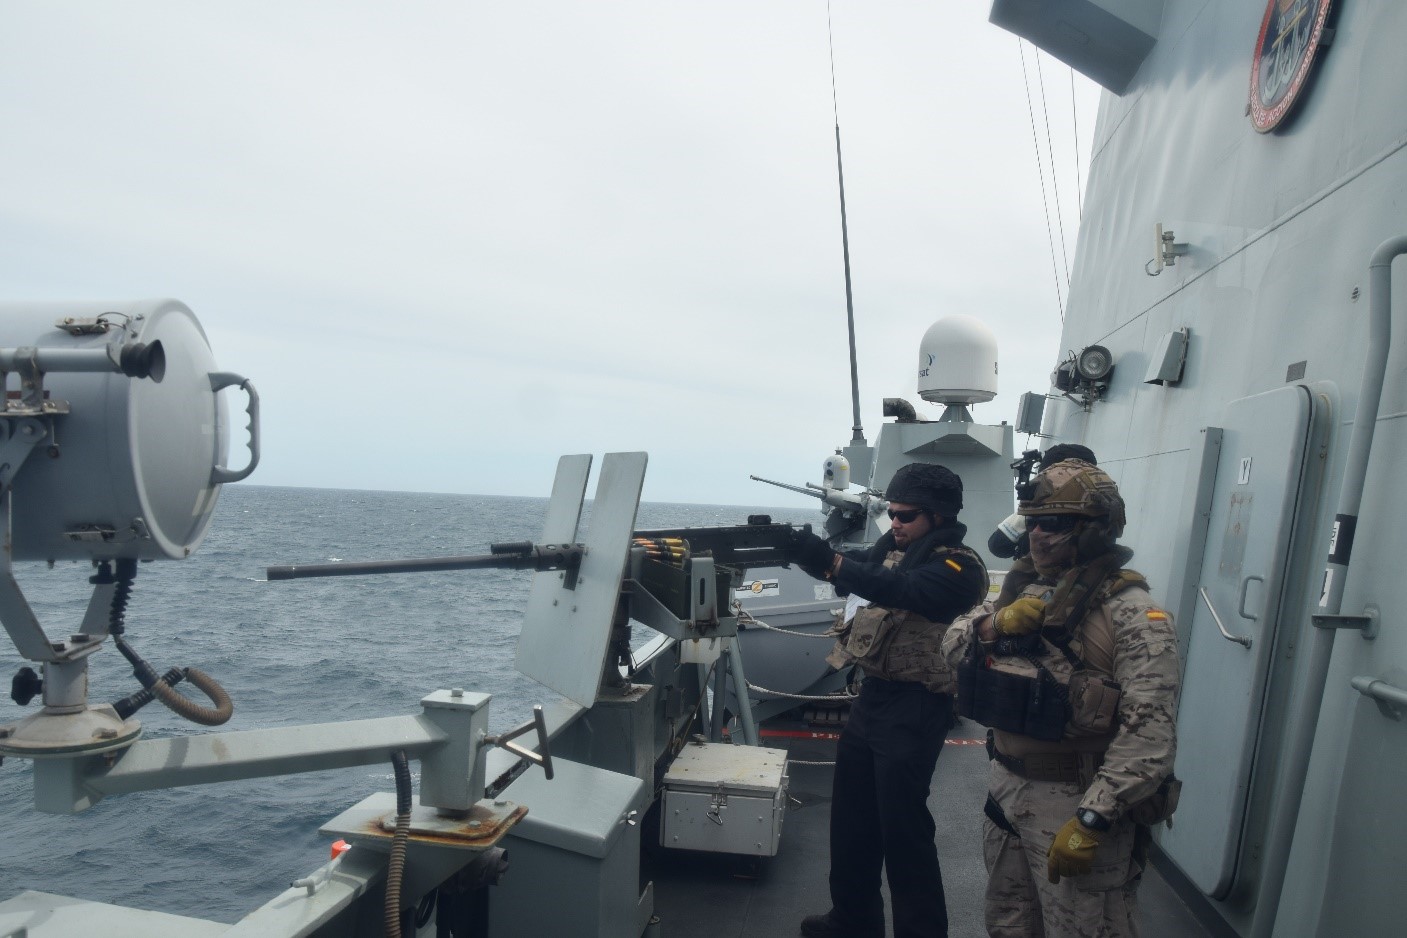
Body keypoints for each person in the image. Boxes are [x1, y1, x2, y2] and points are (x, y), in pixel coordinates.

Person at [943, 459, 1180, 937]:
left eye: (1055, 524)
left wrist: (1095, 818)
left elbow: (1149, 733)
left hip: (1075, 800)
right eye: (1033, 523)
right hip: (1007, 790)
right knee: (1008, 923)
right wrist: (994, 625)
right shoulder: (1022, 589)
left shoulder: (1134, 615)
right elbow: (950, 647)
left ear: (1096, 529)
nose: (1038, 536)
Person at [788, 462, 988, 938]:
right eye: (892, 513)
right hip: (873, 696)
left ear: (938, 517)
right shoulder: (893, 552)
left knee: (903, 834)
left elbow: (904, 590)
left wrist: (832, 561)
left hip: (917, 706)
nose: (894, 523)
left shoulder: (959, 566)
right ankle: (852, 920)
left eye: (907, 516)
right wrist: (806, 555)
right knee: (852, 821)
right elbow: (863, 579)